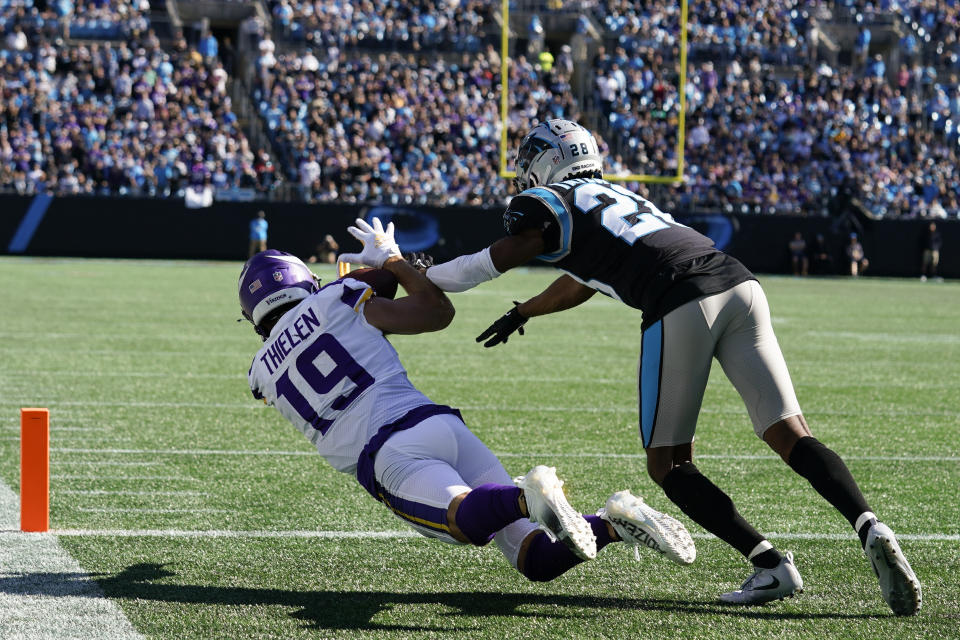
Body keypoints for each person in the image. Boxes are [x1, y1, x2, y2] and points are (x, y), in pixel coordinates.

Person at [420, 119, 921, 614]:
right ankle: (869, 524)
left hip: (680, 296)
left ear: (552, 161)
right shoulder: (618, 197)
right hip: (739, 283)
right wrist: (526, 309)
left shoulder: (552, 202)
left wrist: (419, 272)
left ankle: (770, 564)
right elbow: (581, 281)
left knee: (669, 465)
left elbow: (489, 261)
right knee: (790, 432)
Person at [238, 229, 695, 584]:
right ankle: (616, 523)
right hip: (438, 425)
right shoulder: (340, 298)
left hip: (389, 457)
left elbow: (300, 339)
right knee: (532, 559)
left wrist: (372, 279)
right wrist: (392, 263)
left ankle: (528, 497)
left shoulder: (260, 373)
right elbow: (434, 311)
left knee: (464, 522)